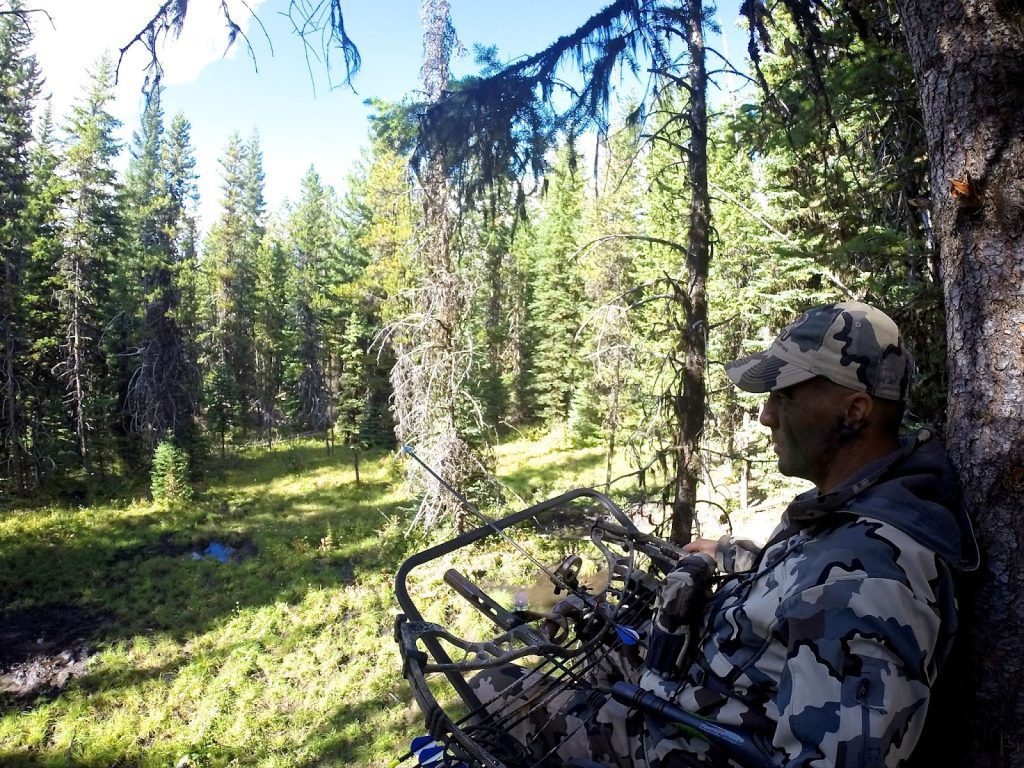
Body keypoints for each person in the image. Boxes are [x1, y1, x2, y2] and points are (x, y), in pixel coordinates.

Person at [475, 300, 979, 768]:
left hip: (679, 738)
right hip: (684, 689)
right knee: (553, 647)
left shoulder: (868, 585)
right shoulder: (860, 503)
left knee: (493, 691)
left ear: (854, 411)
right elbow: (804, 585)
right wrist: (731, 555)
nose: (766, 416)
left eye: (785, 397)